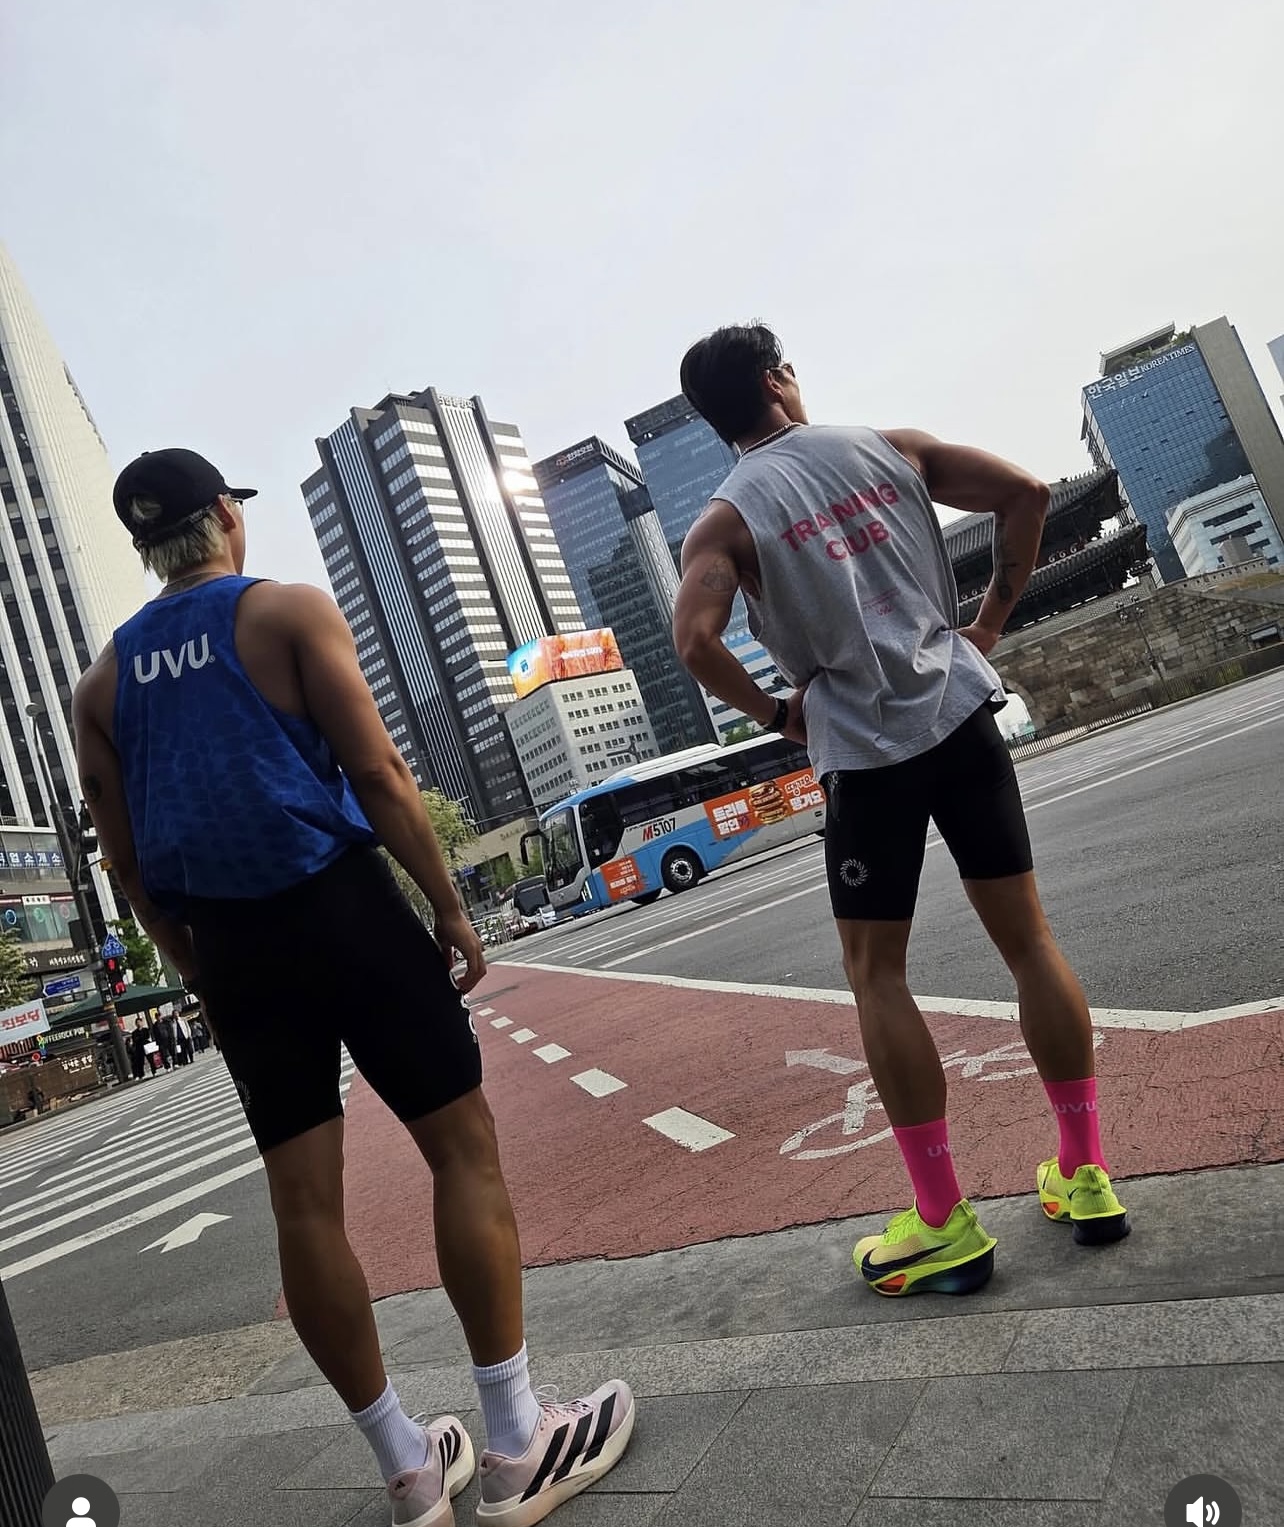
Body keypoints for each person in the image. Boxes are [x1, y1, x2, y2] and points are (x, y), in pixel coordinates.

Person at [73, 448, 632, 1527]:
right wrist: (449, 906)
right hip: (344, 910)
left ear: (147, 548)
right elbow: (378, 773)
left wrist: (197, 969)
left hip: (232, 947)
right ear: (226, 517)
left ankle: (409, 1468)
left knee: (304, 1205)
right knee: (461, 1147)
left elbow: (126, 865)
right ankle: (515, 1438)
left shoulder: (99, 688)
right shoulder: (285, 613)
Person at [672, 325, 1129, 1298]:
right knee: (1029, 941)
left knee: (877, 974)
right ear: (776, 380)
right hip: (960, 714)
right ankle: (1085, 1171)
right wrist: (988, 624)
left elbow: (693, 640)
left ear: (716, 418)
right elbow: (1028, 492)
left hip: (863, 751)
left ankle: (943, 1220)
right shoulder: (894, 449)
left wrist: (777, 714)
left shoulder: (723, 524)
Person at [128, 1016, 150, 1081]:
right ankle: (141, 1074)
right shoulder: (134, 1033)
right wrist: (140, 1038)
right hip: (139, 1048)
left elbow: (147, 1036)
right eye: (137, 1022)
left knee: (150, 1059)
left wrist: (139, 1038)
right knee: (140, 1062)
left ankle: (154, 1071)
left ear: (142, 1023)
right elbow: (135, 1040)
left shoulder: (145, 1030)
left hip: (146, 1046)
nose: (138, 1023)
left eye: (139, 1022)